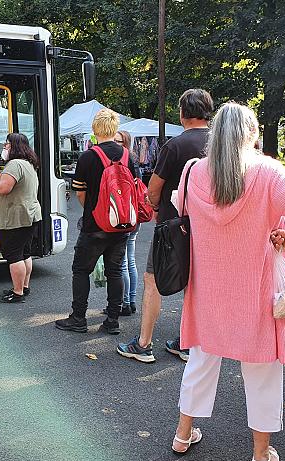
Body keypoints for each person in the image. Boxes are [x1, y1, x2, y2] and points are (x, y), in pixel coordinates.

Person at [168, 102, 285, 461]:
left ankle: (182, 434)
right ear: (251, 133)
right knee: (262, 370)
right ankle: (259, 452)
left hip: (207, 289)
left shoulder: (193, 171)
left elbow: (180, 209)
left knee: (200, 362)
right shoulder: (268, 172)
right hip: (257, 289)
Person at [117, 88, 213, 363]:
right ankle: (187, 342)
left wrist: (157, 209)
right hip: (209, 225)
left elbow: (153, 189)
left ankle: (144, 344)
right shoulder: (222, 144)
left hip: (174, 224)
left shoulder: (175, 146)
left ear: (183, 113)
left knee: (153, 279)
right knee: (195, 284)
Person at [55, 108, 138, 334]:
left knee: (81, 270)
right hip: (121, 226)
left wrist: (94, 210)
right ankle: (112, 320)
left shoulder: (88, 157)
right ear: (114, 128)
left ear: (95, 129)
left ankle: (79, 318)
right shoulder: (127, 156)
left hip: (95, 226)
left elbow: (80, 192)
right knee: (115, 271)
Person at [0, 132, 42, 303]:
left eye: (7, 144)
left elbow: (4, 188)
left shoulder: (14, 165)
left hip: (14, 218)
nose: (5, 147)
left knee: (14, 255)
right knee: (24, 253)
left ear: (14, 147)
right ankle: (24, 287)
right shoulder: (29, 164)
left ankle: (17, 292)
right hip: (29, 215)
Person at [115, 130, 140, 316]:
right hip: (135, 214)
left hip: (124, 214)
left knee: (124, 262)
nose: (115, 144)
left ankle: (125, 303)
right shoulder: (134, 159)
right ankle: (131, 300)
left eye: (119, 141)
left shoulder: (122, 161)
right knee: (130, 260)